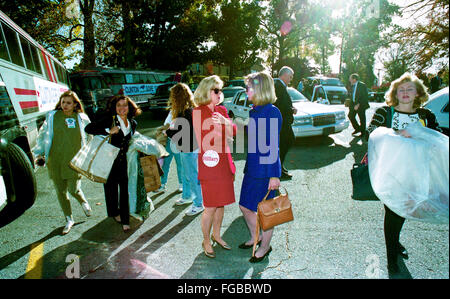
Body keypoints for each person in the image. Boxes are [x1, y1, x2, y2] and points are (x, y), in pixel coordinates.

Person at [365, 72, 445, 276]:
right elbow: (372, 133)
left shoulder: (426, 116)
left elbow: (436, 139)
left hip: (417, 174)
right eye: (402, 89)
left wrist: (419, 134)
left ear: (418, 92)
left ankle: (395, 242)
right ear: (395, 93)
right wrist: (400, 134)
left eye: (410, 89)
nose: (406, 93)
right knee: (393, 212)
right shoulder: (385, 113)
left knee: (404, 211)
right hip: (391, 173)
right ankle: (392, 256)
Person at [33, 90, 92, 235]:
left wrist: (88, 153)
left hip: (73, 160)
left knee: (73, 189)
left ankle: (83, 201)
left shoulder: (81, 118)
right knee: (61, 192)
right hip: (55, 160)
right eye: (63, 102)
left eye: (68, 103)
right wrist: (39, 152)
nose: (65, 105)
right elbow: (43, 135)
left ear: (75, 105)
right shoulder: (53, 116)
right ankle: (69, 219)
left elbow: (90, 135)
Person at [239, 71, 282, 263]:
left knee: (265, 211)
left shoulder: (271, 111)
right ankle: (256, 237)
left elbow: (273, 146)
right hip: (253, 168)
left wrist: (275, 175)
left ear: (259, 89)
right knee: (245, 206)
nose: (246, 91)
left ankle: (265, 247)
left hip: (266, 171)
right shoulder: (255, 110)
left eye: (249, 87)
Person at [192, 75, 237, 258]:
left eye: (221, 90)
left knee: (221, 204)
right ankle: (206, 240)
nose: (220, 94)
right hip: (210, 164)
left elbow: (233, 132)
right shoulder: (198, 112)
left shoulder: (222, 110)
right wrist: (224, 132)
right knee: (210, 205)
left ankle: (216, 235)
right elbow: (205, 139)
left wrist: (225, 124)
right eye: (216, 90)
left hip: (224, 164)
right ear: (206, 91)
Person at [85, 95, 141, 232]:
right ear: (114, 108)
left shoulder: (133, 123)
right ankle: (114, 212)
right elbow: (89, 128)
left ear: (129, 107)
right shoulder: (110, 120)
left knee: (124, 190)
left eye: (125, 105)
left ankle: (125, 219)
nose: (122, 108)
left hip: (123, 161)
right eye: (119, 105)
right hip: (109, 161)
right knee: (110, 189)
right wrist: (108, 131)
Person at [165, 83, 203, 216]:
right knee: (187, 174)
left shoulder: (185, 112)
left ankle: (198, 203)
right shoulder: (190, 109)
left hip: (189, 148)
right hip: (189, 147)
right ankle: (187, 196)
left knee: (192, 176)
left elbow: (182, 132)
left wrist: (168, 132)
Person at [274, 66, 296, 180]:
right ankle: (279, 170)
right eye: (290, 76)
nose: (291, 79)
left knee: (288, 142)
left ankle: (280, 167)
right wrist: (291, 109)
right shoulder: (278, 85)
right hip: (281, 122)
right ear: (285, 75)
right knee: (284, 145)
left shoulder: (280, 85)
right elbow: (280, 105)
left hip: (283, 122)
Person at [157, 111, 184, 193]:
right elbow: (166, 124)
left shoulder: (184, 112)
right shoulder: (172, 112)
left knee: (180, 164)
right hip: (169, 141)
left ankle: (181, 184)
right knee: (165, 163)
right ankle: (162, 184)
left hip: (179, 142)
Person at [348, 73, 370, 138]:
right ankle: (357, 128)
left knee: (362, 119)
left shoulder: (362, 85)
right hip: (353, 104)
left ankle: (363, 133)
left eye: (350, 78)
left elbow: (365, 96)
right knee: (350, 116)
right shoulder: (352, 85)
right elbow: (353, 95)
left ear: (354, 79)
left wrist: (358, 104)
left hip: (361, 104)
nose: (349, 80)